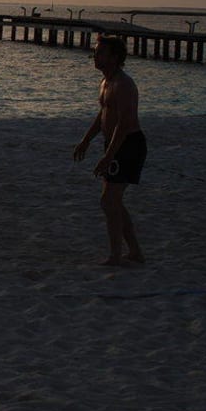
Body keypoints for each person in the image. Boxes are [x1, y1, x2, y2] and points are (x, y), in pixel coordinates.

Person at [73, 35, 147, 266]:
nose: (95, 56)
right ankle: (134, 252)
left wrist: (108, 156)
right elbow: (104, 114)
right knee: (112, 201)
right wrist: (86, 140)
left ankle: (117, 255)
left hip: (129, 144)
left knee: (109, 200)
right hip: (114, 144)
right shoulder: (106, 82)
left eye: (100, 53)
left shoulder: (124, 84)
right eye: (96, 52)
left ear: (114, 57)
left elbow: (124, 124)